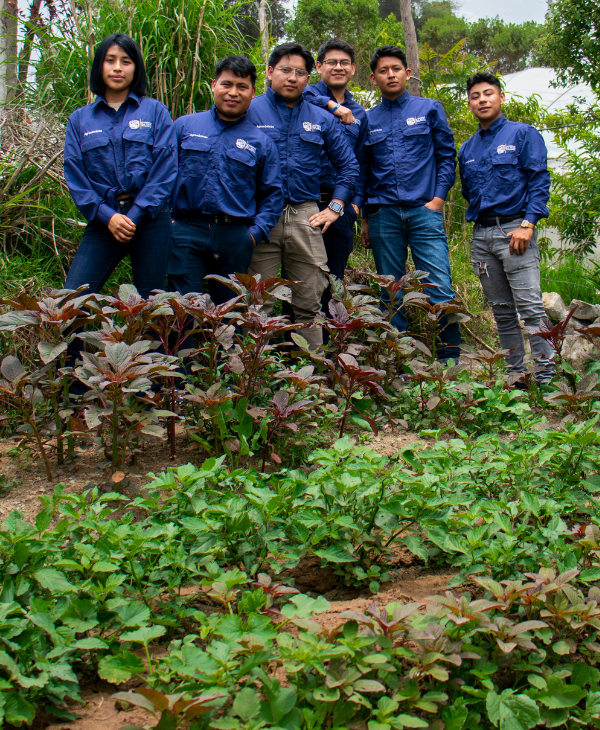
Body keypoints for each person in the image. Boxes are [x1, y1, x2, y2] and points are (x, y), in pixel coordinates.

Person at [246, 42, 360, 350]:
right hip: (261, 217)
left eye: (300, 72)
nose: (292, 78)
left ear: (308, 78)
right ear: (269, 73)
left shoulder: (321, 118)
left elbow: (349, 166)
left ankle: (312, 378)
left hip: (306, 215)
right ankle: (257, 379)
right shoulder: (251, 109)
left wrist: (335, 206)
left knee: (309, 302)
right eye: (285, 70)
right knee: (260, 305)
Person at [361, 45, 460, 362]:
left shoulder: (429, 108)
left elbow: (447, 157)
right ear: (373, 78)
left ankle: (449, 361)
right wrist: (365, 218)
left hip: (423, 212)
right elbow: (362, 170)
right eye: (383, 70)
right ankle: (398, 361)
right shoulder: (367, 120)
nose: (390, 74)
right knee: (390, 292)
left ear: (407, 72)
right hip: (382, 215)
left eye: (395, 68)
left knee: (439, 287)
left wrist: (438, 199)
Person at [63, 33, 177, 300]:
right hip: (104, 219)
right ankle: (79, 344)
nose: (117, 68)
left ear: (135, 67)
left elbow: (165, 169)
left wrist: (134, 216)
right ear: (99, 66)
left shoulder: (155, 111)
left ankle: (146, 344)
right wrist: (109, 217)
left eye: (126, 61)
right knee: (69, 302)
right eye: (110, 60)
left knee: (151, 306)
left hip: (151, 220)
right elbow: (76, 177)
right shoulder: (80, 120)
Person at [459, 71, 555, 384]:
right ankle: (515, 375)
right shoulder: (467, 149)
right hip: (482, 237)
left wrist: (529, 224)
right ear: (470, 104)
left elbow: (539, 180)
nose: (482, 100)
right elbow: (467, 193)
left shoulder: (523, 134)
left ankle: (546, 376)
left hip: (516, 231)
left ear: (501, 97)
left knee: (529, 307)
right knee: (501, 310)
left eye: (488, 93)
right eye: (475, 96)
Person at [168, 55, 283, 305]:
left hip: (235, 237)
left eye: (242, 87)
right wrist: (171, 221)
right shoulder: (184, 126)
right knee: (181, 308)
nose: (233, 93)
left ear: (253, 93)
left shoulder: (261, 142)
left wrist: (253, 235)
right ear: (213, 85)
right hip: (186, 231)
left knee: (227, 313)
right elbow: (162, 176)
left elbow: (273, 195)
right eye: (226, 84)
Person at [303, 38, 368, 317]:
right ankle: (296, 346)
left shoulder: (361, 114)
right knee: (302, 278)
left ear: (353, 69)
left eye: (344, 63)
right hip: (305, 204)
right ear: (319, 66)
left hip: (341, 207)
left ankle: (331, 347)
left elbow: (362, 163)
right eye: (331, 62)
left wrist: (355, 205)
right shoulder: (305, 99)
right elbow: (294, 93)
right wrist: (331, 106)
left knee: (334, 279)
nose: (338, 67)